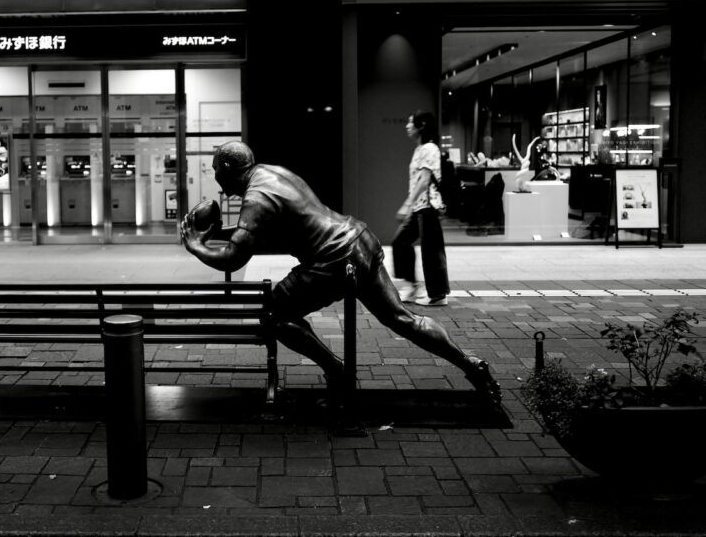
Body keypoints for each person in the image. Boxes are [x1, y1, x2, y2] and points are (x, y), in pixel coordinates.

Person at [180, 141, 500, 406]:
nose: (213, 174)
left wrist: (194, 244)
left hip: (332, 259)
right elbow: (264, 231)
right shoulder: (271, 174)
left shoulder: (256, 198)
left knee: (273, 313)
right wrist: (220, 233)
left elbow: (233, 259)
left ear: (227, 170)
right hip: (357, 237)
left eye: (214, 168)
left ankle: (337, 372)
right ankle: (471, 365)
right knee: (401, 318)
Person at [393, 111, 450, 307]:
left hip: (428, 207)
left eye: (411, 123)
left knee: (431, 252)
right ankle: (411, 285)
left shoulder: (430, 149)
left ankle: (437, 294)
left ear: (421, 125)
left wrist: (407, 204)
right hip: (419, 207)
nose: (407, 126)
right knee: (400, 242)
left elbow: (424, 181)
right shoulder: (419, 149)